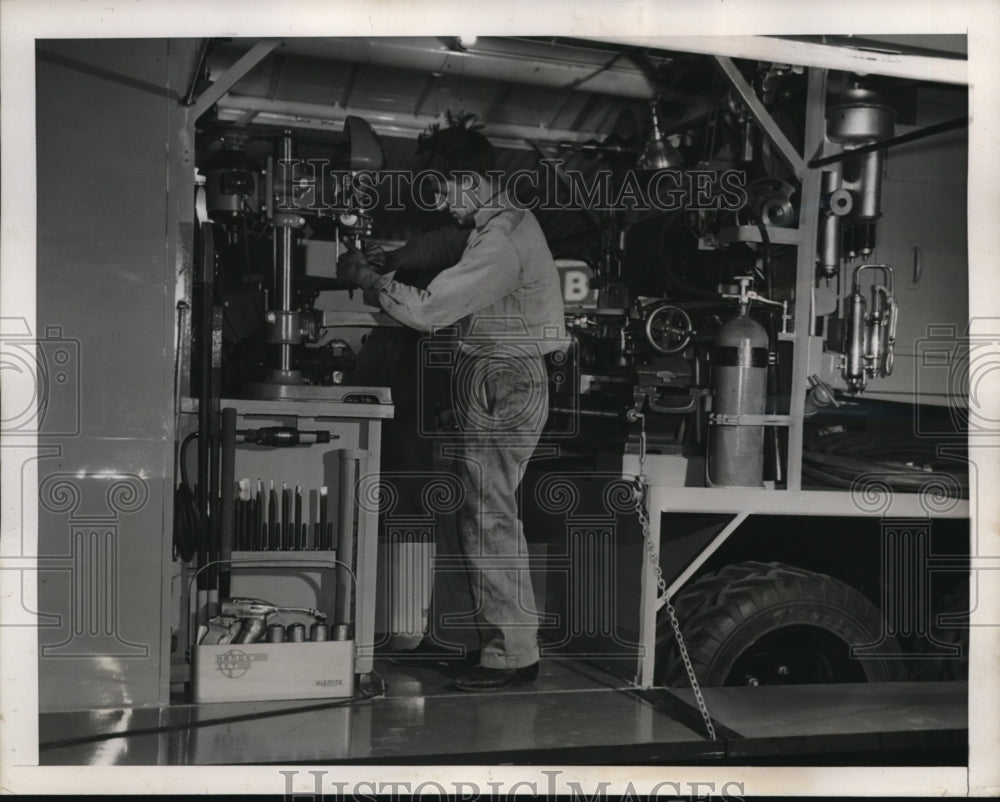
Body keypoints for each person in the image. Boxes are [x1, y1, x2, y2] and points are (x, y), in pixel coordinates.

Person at [337, 126, 568, 691]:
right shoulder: (495, 222)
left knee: (489, 515)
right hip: (491, 375)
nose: (441, 204)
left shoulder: (500, 243)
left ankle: (513, 655)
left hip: (505, 378)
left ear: (469, 180)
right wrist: (395, 254)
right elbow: (444, 243)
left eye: (444, 191)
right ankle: (493, 645)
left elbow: (428, 311)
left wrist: (367, 278)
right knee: (478, 513)